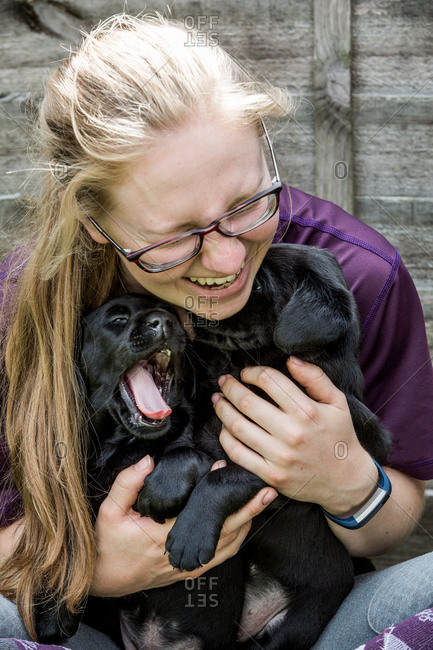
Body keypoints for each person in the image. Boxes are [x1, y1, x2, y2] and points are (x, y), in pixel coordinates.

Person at [0, 11, 432, 650]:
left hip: (303, 626)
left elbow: (398, 511)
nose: (228, 263)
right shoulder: (21, 308)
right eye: (175, 238)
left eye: (245, 205)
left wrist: (345, 476)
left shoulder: (351, 275)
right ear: (94, 223)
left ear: (265, 145)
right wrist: (86, 565)